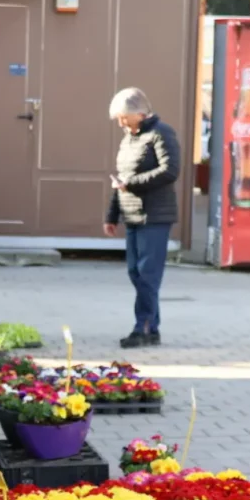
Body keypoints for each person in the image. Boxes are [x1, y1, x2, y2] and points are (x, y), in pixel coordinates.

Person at [103, 87, 181, 349]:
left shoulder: (161, 133)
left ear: (139, 113)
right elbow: (120, 179)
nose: (121, 123)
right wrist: (112, 214)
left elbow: (170, 171)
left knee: (147, 275)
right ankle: (151, 327)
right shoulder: (128, 139)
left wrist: (131, 183)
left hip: (154, 216)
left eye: (124, 117)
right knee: (135, 272)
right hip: (132, 215)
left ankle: (144, 328)